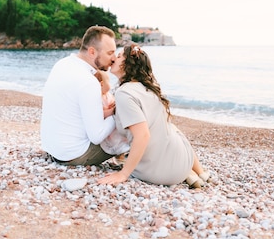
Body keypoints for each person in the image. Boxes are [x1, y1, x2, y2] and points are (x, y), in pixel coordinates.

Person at [97, 44, 213, 188]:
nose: (114, 58)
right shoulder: (147, 88)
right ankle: (198, 172)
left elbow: (143, 135)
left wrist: (123, 174)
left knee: (157, 131)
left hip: (159, 173)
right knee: (171, 127)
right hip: (183, 160)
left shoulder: (124, 93)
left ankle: (189, 173)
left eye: (119, 56)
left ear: (127, 65)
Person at [40, 25, 118, 166]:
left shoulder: (62, 64)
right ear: (92, 52)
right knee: (129, 125)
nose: (114, 58)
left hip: (53, 148)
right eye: (110, 53)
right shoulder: (88, 82)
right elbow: (97, 136)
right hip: (73, 155)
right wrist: (117, 113)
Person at [95, 70, 130, 157]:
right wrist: (112, 111)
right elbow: (100, 114)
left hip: (114, 123)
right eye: (109, 82)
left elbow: (113, 102)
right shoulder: (97, 98)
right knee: (116, 140)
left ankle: (127, 149)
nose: (110, 84)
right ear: (102, 84)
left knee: (122, 134)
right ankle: (122, 151)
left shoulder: (107, 95)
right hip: (108, 127)